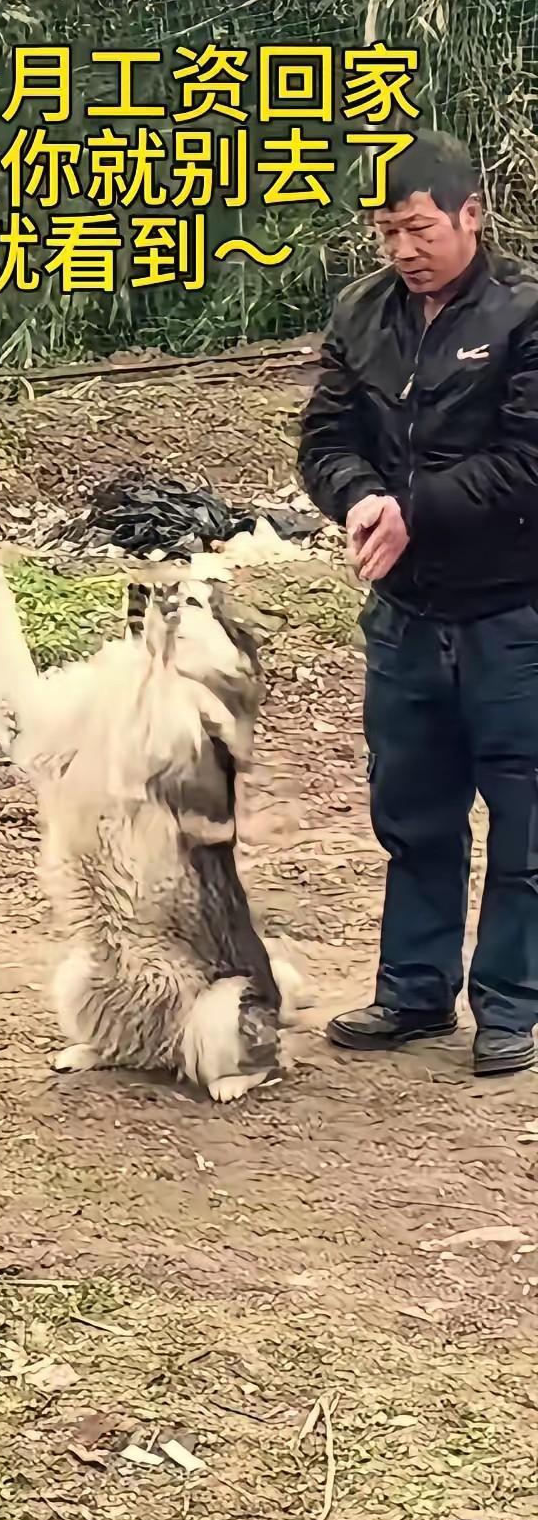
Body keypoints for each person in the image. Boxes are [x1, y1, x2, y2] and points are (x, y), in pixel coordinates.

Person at [298, 128, 538, 1078]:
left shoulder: (525, 313)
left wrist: (416, 508)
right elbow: (324, 436)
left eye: (419, 227)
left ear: (470, 214)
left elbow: (529, 463)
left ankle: (511, 1005)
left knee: (523, 822)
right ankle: (414, 993)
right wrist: (359, 497)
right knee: (413, 811)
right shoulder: (362, 313)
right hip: (403, 615)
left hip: (511, 616)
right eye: (388, 231)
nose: (402, 249)